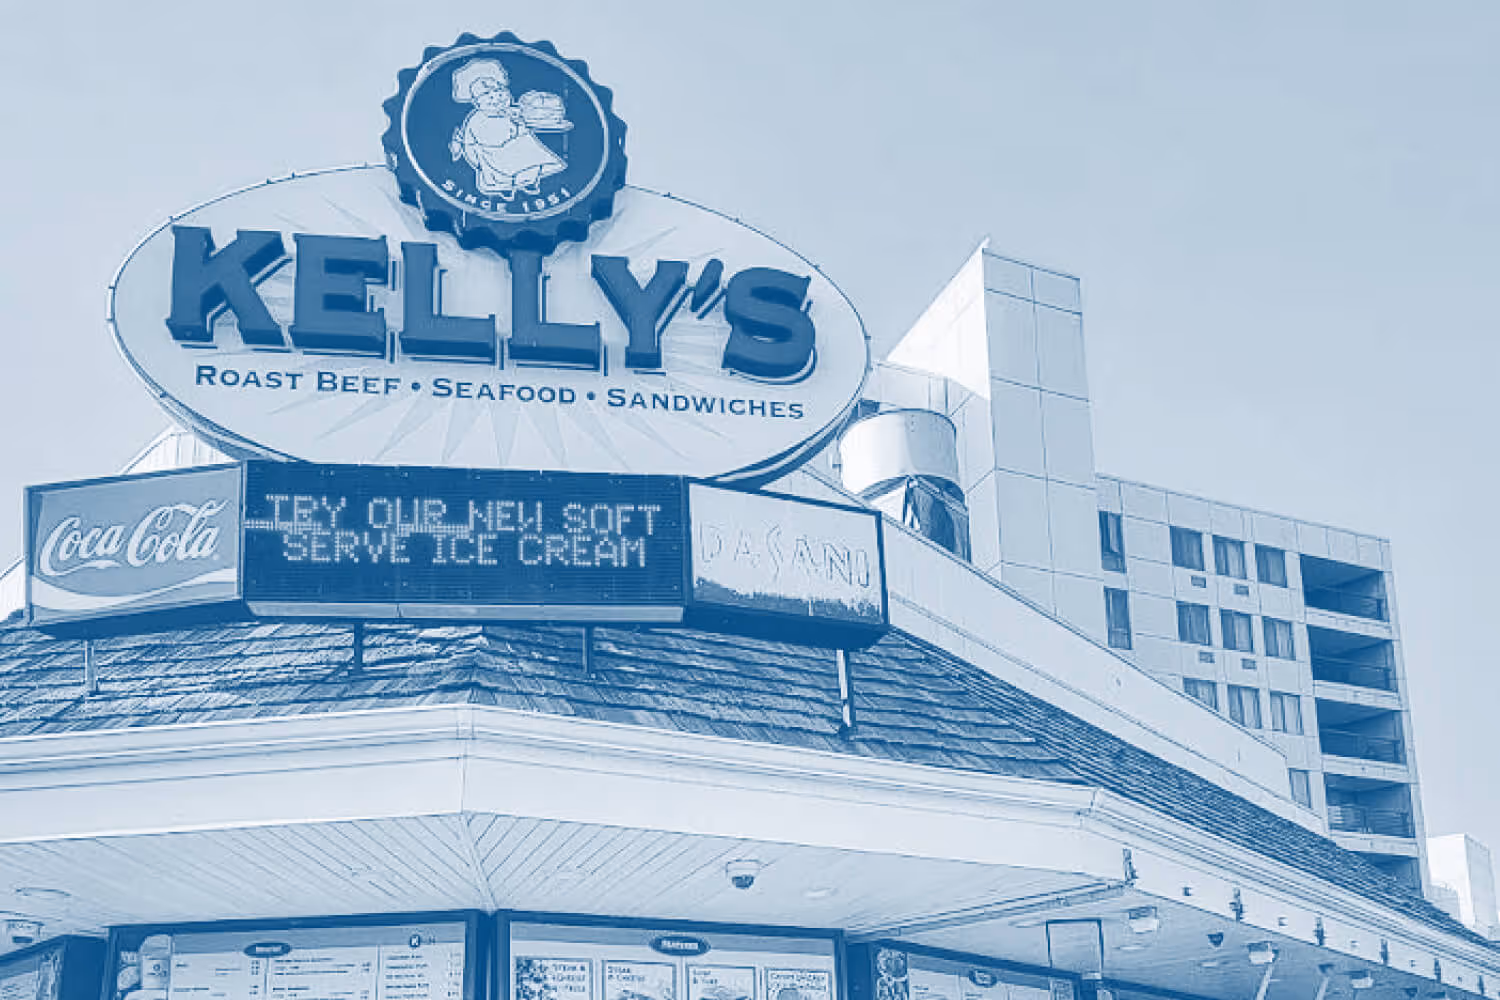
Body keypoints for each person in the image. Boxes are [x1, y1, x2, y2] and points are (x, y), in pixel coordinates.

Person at [448, 59, 567, 201]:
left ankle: (527, 182)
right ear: (477, 103)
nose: (496, 98)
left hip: (518, 149)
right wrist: (475, 160)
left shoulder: (511, 113)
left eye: (499, 92)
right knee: (499, 175)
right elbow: (470, 143)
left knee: (528, 152)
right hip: (491, 155)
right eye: (488, 96)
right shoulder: (476, 119)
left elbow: (524, 126)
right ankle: (505, 188)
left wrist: (523, 125)